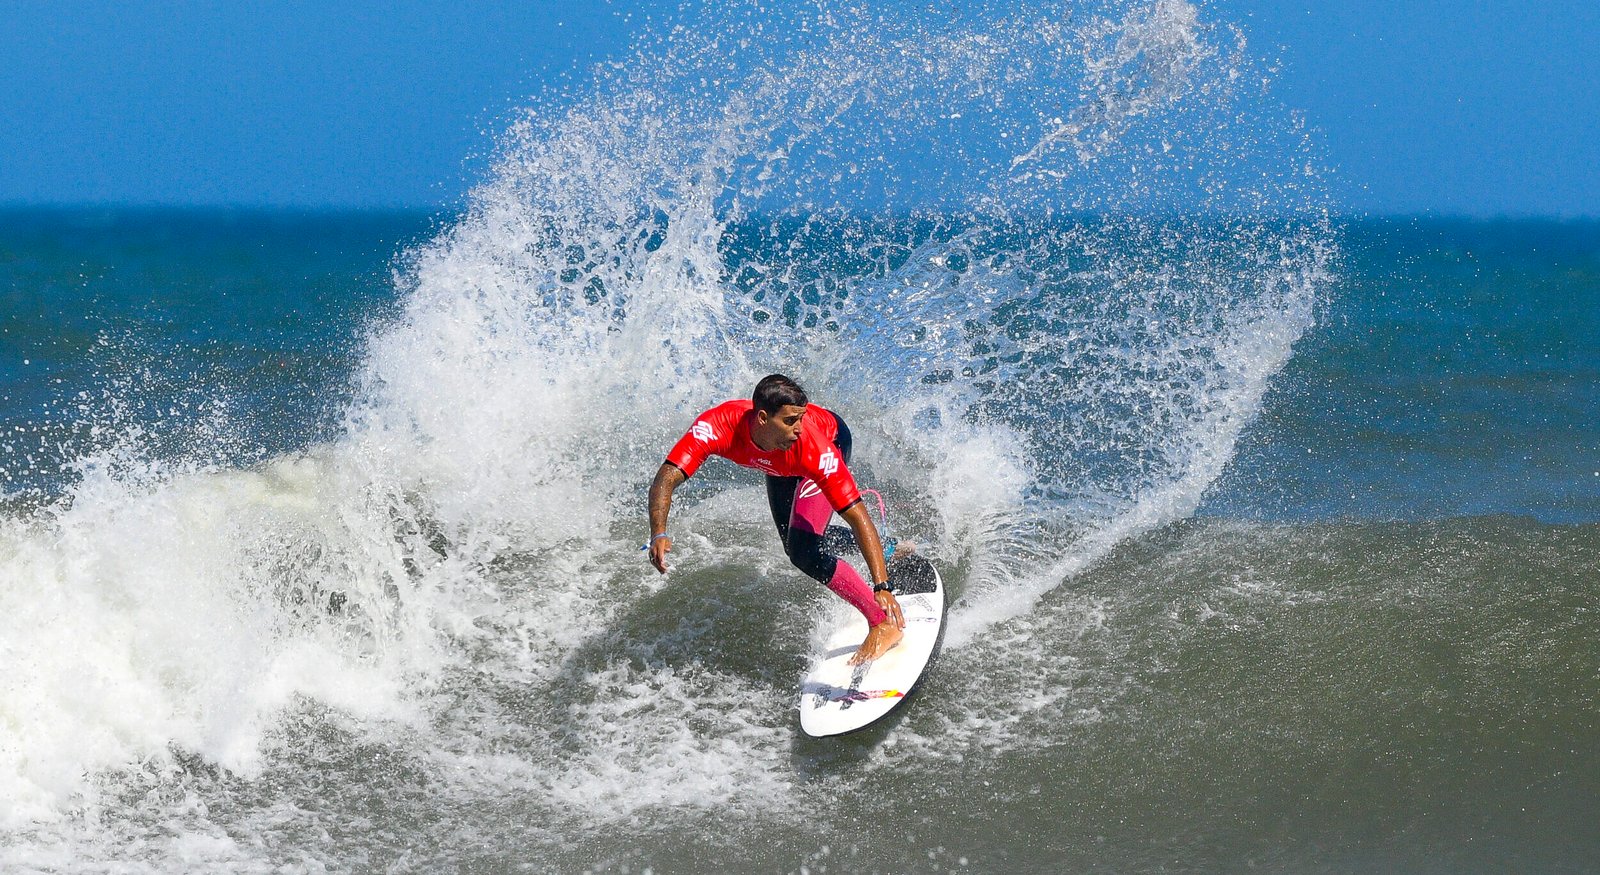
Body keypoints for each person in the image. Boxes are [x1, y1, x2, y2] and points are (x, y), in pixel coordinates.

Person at [647, 374, 905, 664]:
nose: (798, 429)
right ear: (761, 419)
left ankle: (882, 622)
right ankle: (887, 548)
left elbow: (857, 515)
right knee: (796, 541)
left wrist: (881, 586)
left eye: (801, 419)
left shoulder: (815, 448)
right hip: (779, 463)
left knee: (804, 552)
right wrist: (659, 533)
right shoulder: (719, 426)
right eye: (790, 421)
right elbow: (666, 476)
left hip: (828, 440)